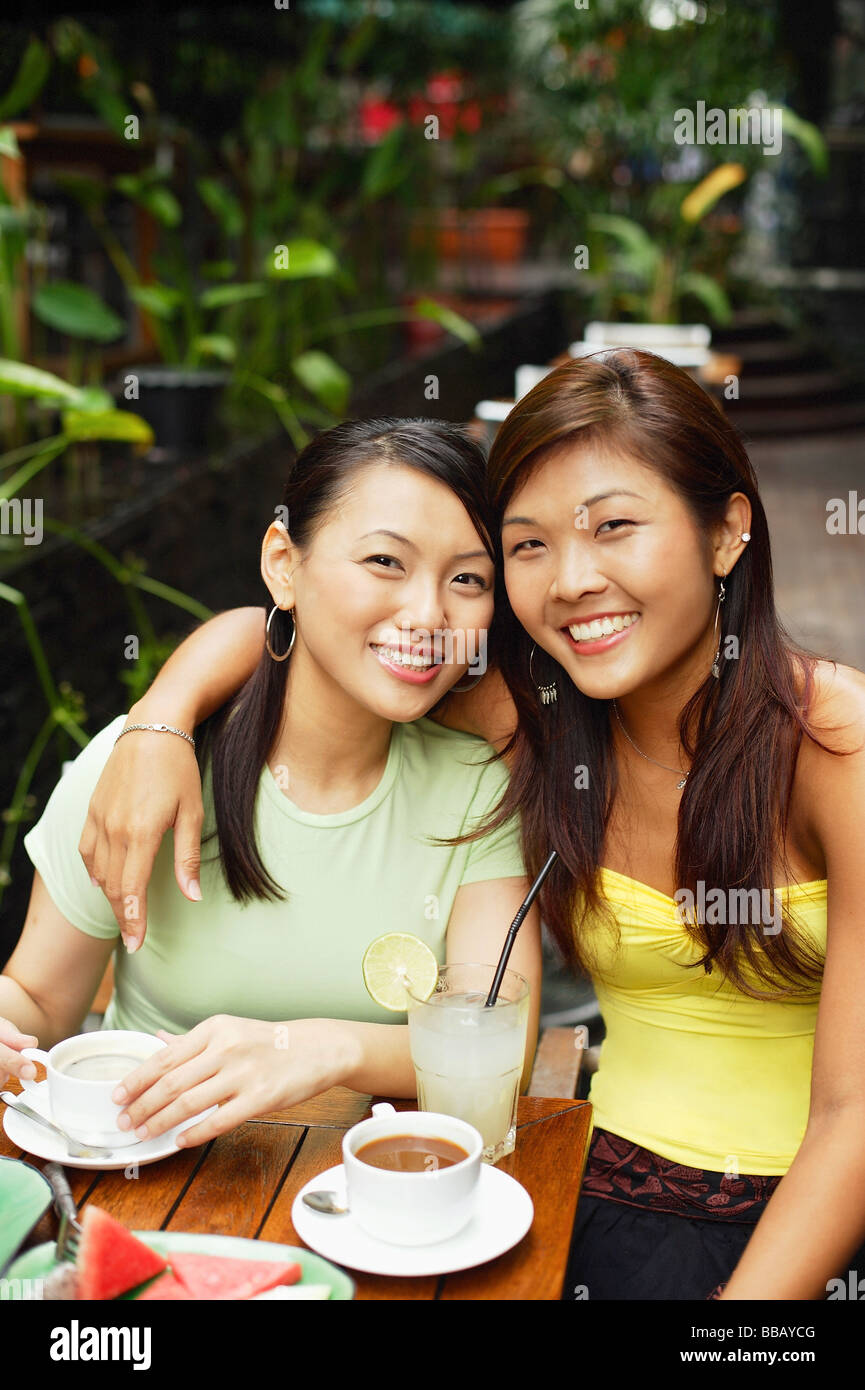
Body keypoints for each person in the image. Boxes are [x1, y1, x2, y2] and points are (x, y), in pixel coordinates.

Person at [73, 352, 865, 1301]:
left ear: (727, 530)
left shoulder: (834, 749)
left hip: (805, 1228)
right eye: (527, 546)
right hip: (576, 1194)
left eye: (613, 527)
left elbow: (853, 1117)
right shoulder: (536, 714)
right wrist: (157, 721)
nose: (572, 580)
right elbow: (308, 634)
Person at [0, 417, 541, 1149]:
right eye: (385, 561)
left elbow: (499, 1043)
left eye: (468, 579)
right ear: (284, 564)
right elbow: (37, 998)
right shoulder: (142, 764)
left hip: (378, 1197)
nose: (427, 615)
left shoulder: (478, 791)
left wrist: (318, 1049)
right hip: (141, 1180)